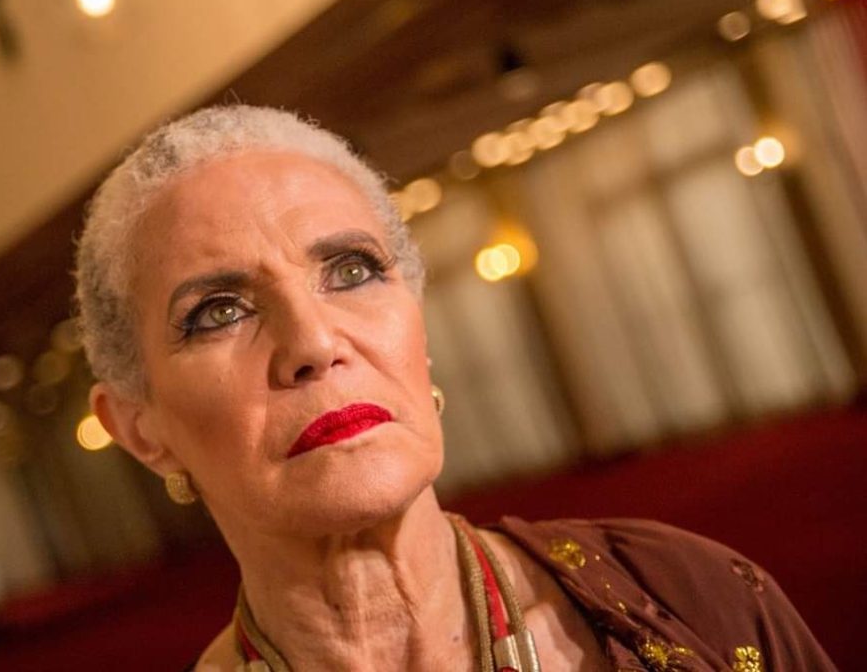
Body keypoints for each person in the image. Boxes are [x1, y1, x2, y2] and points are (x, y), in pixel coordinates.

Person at [74, 105, 835, 671]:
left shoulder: (692, 599)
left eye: (352, 271)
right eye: (219, 312)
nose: (314, 345)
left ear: (419, 327)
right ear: (141, 429)